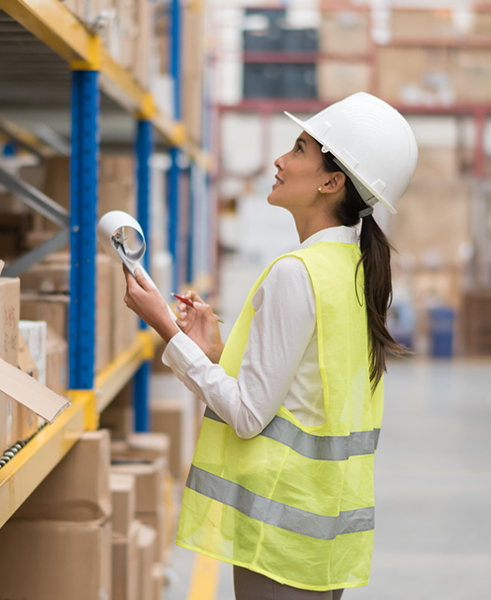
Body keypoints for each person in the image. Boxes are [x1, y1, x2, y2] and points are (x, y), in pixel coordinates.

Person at [122, 92, 418, 599]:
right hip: (320, 533)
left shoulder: (296, 274)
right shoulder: (350, 269)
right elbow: (300, 393)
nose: (280, 160)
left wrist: (165, 330)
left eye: (299, 149)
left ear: (332, 181)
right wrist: (214, 353)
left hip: (279, 534)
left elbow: (247, 415)